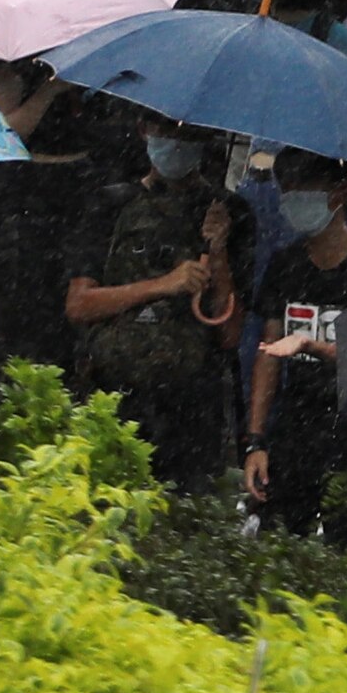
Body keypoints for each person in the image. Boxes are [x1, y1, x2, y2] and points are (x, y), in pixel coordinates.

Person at [67, 120, 240, 495]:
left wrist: (219, 250)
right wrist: (163, 285)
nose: (176, 144)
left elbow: (230, 331)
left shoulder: (228, 212)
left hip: (190, 413)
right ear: (145, 130)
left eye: (188, 134)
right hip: (114, 396)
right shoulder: (110, 203)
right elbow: (79, 305)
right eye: (167, 131)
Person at [241, 165, 347, 540]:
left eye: (303, 185)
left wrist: (312, 346)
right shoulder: (285, 265)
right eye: (287, 188)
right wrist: (256, 441)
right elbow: (267, 354)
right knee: (279, 545)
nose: (291, 196)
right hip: (296, 430)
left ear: (339, 193)